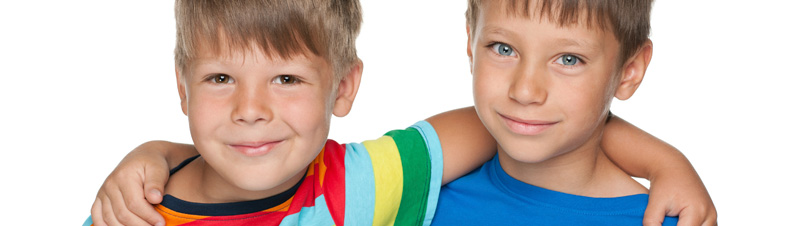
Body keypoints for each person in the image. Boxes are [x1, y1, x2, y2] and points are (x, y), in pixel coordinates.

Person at [87, 0, 716, 225]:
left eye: (286, 78)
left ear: (343, 88)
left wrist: (668, 162)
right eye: (220, 79)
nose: (526, 89)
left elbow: (497, 120)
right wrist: (156, 155)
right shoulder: (130, 213)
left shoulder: (362, 189)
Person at [431, 0, 716, 225]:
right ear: (470, 44)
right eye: (503, 49)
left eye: (569, 59)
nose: (525, 91)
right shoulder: (423, 195)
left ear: (629, 72)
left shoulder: (671, 220)